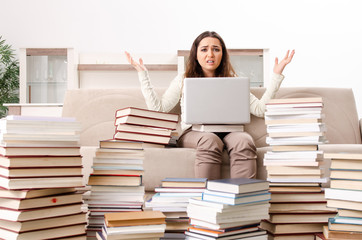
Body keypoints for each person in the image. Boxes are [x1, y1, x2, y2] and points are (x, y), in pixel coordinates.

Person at [126, 31, 294, 180]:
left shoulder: (234, 81)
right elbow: (159, 109)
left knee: (244, 140)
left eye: (216, 49)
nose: (210, 54)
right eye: (204, 49)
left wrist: (276, 76)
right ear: (196, 54)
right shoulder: (183, 80)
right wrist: (143, 74)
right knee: (210, 140)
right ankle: (208, 207)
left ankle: (243, 206)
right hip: (195, 133)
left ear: (222, 54)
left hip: (230, 131)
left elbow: (259, 109)